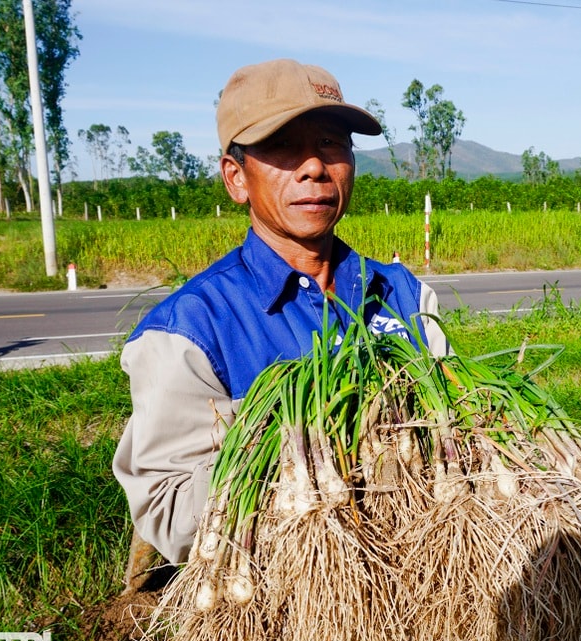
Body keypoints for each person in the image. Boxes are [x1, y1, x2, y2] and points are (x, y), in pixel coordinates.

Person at [113, 58, 448, 570]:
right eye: (285, 146)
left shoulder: (405, 295)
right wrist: (316, 444)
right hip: (287, 604)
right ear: (235, 178)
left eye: (332, 144)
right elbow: (170, 514)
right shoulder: (188, 331)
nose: (314, 166)